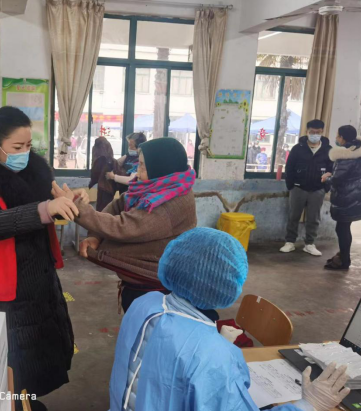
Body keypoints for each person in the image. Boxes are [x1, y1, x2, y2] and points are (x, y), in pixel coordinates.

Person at [109, 227, 351, 411]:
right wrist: (309, 404)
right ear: (226, 285)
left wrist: (213, 342)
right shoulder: (213, 357)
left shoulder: (145, 303)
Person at [0, 107, 76, 411]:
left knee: (37, 353)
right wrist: (44, 209)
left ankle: (27, 402)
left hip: (37, 277)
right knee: (6, 359)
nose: (24, 153)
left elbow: (48, 214)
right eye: (17, 147)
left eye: (29, 146)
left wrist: (66, 204)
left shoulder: (35, 172)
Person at [70, 138, 198, 313]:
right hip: (138, 281)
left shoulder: (171, 202)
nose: (137, 172)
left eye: (143, 166)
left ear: (161, 168)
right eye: (139, 164)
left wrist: (77, 209)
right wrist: (96, 236)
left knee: (147, 326)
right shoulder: (151, 188)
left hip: (156, 288)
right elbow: (117, 205)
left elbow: (125, 227)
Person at [281, 119, 333, 256]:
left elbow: (331, 170)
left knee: (314, 218)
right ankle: (290, 242)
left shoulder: (328, 150)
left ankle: (309, 244)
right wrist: (291, 186)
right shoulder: (298, 148)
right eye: (312, 132)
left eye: (317, 132)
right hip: (298, 188)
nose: (314, 134)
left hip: (318, 189)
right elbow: (289, 168)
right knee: (293, 215)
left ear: (322, 132)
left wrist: (325, 187)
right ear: (307, 131)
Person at [322, 125, 361, 270]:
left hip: (346, 198)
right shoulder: (357, 151)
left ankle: (344, 261)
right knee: (344, 228)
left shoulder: (346, 156)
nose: (336, 138)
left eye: (338, 135)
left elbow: (338, 179)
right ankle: (344, 256)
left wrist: (327, 178)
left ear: (343, 138)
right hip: (355, 196)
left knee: (342, 229)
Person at [89, 136, 121, 211]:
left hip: (104, 188)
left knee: (102, 210)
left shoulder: (100, 160)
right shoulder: (112, 161)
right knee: (106, 209)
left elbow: (95, 174)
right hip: (110, 189)